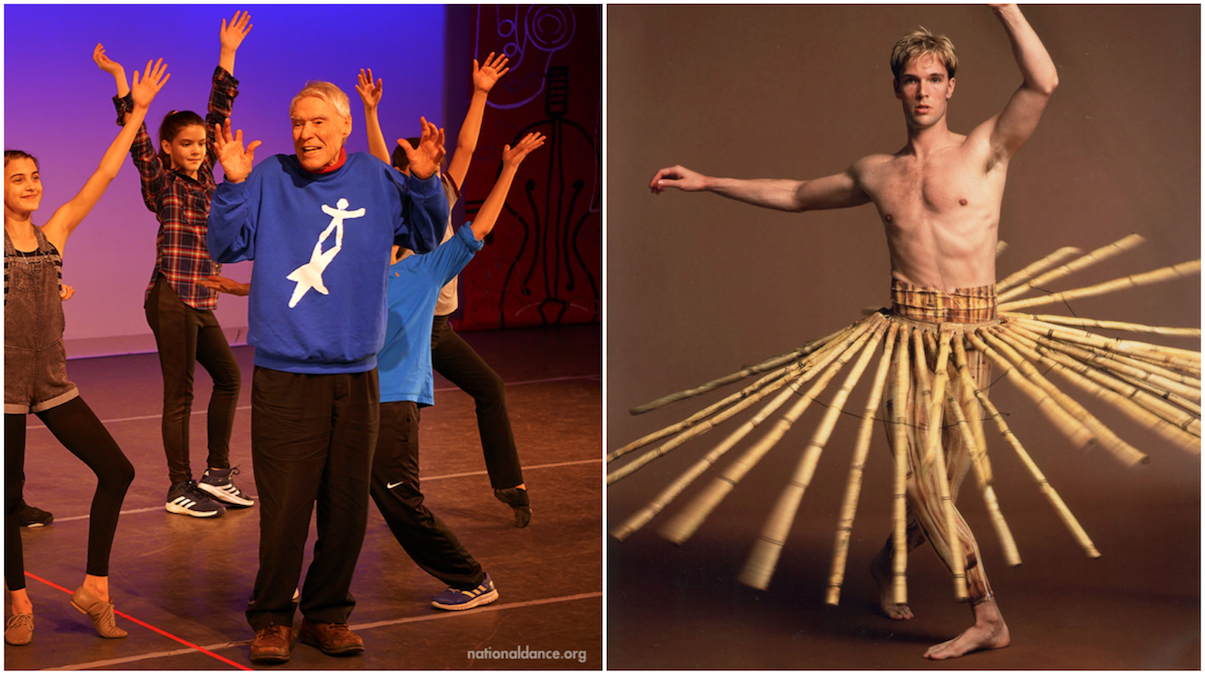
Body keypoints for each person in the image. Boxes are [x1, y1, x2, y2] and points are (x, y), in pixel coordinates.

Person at [647, 4, 1057, 660]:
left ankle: (888, 563)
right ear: (895, 87)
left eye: (932, 78)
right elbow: (796, 192)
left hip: (975, 340)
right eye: (910, 80)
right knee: (923, 484)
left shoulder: (984, 149)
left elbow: (1041, 83)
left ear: (951, 85)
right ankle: (985, 611)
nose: (921, 91)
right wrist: (708, 181)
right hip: (905, 341)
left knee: (937, 493)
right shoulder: (878, 171)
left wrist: (1005, 7)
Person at [206, 80, 448, 664]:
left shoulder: (375, 177)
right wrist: (233, 185)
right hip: (286, 373)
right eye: (297, 122)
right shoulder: (270, 176)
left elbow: (424, 233)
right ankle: (270, 618)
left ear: (343, 125)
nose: (306, 133)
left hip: (357, 371)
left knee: (346, 507)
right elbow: (224, 244)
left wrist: (423, 182)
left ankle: (326, 614)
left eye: (317, 122)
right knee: (286, 507)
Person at [360, 66, 546, 608]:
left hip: (424, 336)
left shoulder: (431, 234)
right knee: (338, 485)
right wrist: (370, 112)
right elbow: (377, 164)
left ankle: (480, 548)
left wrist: (485, 106)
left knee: (487, 390)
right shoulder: (372, 252)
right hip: (365, 374)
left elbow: (477, 214)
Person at [4, 58, 170, 647]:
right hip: (2, 389)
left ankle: (94, 587)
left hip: (50, 382)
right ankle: (17, 601)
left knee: (117, 470)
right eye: (17, 176)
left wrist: (139, 113)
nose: (31, 183)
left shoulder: (56, 234)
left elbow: (103, 173)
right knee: (6, 498)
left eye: (35, 175)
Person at [95, 11, 254, 520]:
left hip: (201, 294)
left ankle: (216, 473)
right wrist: (125, 86)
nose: (196, 150)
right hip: (170, 295)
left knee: (228, 378)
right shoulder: (162, 182)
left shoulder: (209, 177)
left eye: (200, 144)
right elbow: (135, 137)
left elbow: (219, 111)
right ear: (168, 148)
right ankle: (179, 486)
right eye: (185, 144)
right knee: (180, 390)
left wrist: (227, 52)